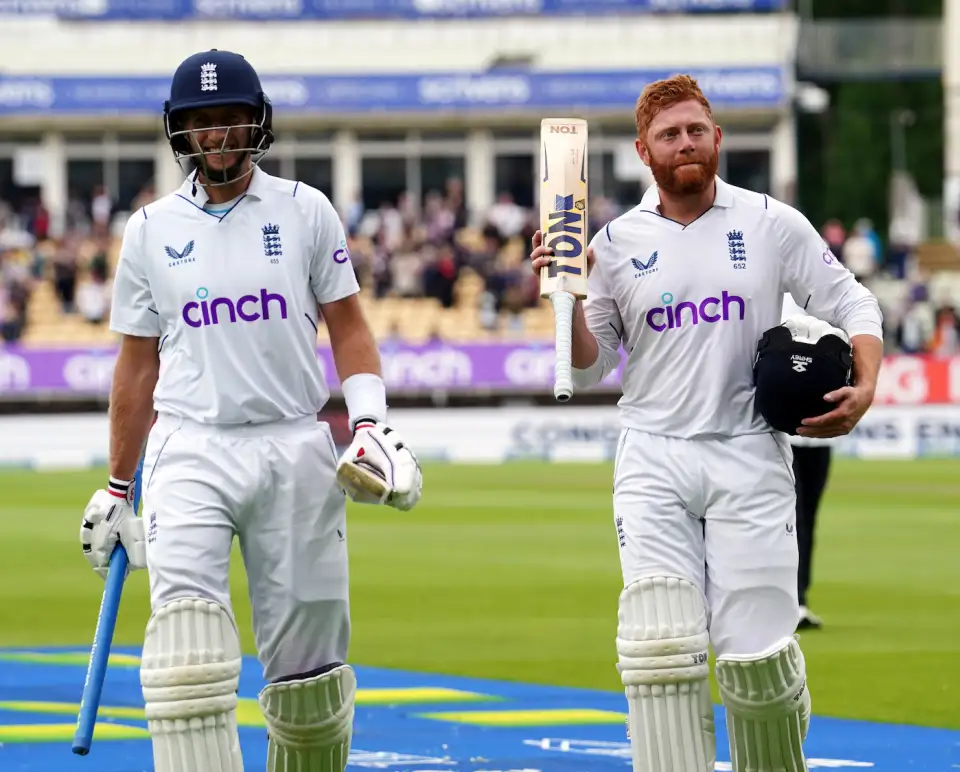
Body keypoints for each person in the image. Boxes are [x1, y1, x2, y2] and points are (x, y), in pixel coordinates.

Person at [77, 49, 422, 772]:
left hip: (295, 445)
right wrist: (116, 486)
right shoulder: (148, 230)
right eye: (202, 123)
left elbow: (350, 328)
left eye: (231, 119)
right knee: (187, 659)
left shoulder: (305, 210)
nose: (219, 136)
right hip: (189, 449)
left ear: (256, 123)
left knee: (311, 685)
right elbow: (137, 366)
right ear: (181, 133)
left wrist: (370, 425)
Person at [529, 74, 883, 772]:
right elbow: (591, 367)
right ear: (643, 151)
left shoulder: (770, 221)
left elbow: (854, 304)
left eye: (695, 130)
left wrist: (866, 385)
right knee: (660, 655)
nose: (684, 143)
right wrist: (565, 299)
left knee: (759, 671)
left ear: (716, 137)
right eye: (669, 135)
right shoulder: (612, 243)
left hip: (748, 452)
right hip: (653, 457)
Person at [781, 292, 836, 631]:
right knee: (792, 517)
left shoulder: (829, 297)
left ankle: (800, 598)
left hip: (822, 432)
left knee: (809, 517)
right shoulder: (779, 298)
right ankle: (787, 600)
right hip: (783, 431)